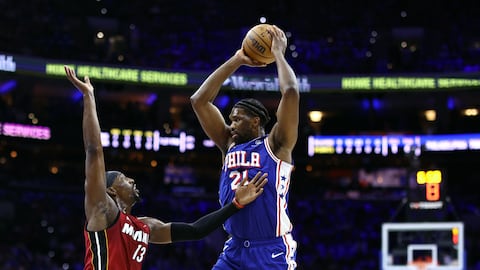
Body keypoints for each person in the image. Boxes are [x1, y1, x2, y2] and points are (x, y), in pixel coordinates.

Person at [64, 65, 268, 270]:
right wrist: (89, 97)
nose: (132, 180)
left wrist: (236, 205)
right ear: (110, 190)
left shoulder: (145, 226)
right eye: (124, 178)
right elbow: (93, 150)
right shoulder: (102, 210)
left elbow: (195, 230)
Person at [190, 24, 300, 269]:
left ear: (256, 121)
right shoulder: (228, 143)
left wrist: (279, 54)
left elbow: (291, 92)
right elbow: (199, 101)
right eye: (230, 118)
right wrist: (237, 59)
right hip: (234, 248)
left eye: (237, 118)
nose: (231, 123)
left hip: (270, 250)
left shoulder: (277, 144)